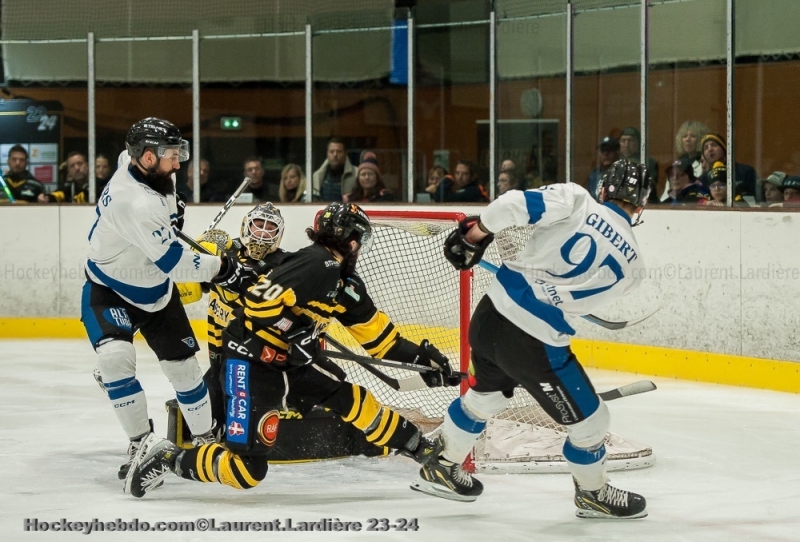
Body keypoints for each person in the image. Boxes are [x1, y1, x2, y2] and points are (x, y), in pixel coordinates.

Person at [125, 202, 459, 498]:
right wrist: (294, 330)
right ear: (352, 241)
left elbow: (383, 341)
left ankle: (420, 449)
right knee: (247, 470)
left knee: (351, 398)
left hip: (291, 363)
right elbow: (258, 304)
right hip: (250, 361)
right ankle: (168, 458)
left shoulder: (345, 284)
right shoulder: (315, 263)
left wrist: (424, 359)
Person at [412, 160, 650, 520]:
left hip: (489, 318)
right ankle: (593, 493)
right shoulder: (634, 268)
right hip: (534, 345)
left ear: (603, 189)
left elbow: (510, 204)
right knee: (592, 423)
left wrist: (476, 234)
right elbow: (577, 298)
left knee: (486, 397)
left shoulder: (575, 198)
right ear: (641, 207)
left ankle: (442, 466)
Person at [81, 117, 254, 483]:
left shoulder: (144, 169)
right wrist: (224, 268)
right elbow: (175, 263)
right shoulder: (134, 202)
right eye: (172, 155)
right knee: (116, 360)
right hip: (110, 288)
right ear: (147, 157)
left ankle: (205, 440)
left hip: (156, 291)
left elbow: (165, 236)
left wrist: (172, 216)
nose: (178, 163)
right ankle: (141, 444)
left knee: (185, 371)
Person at [697, 133, 757, 200]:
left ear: (724, 149)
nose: (710, 149)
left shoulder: (745, 171)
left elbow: (759, 199)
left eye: (714, 145)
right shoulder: (703, 179)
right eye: (706, 148)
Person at [619, 126, 659, 204]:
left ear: (639, 143)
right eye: (623, 141)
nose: (626, 145)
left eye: (630, 141)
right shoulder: (617, 163)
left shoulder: (648, 162)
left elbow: (649, 186)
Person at [312, 137, 356, 202]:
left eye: (339, 152)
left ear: (345, 154)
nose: (335, 155)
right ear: (327, 153)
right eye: (331, 151)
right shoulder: (317, 176)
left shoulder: (356, 174)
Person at [587, 136, 620, 202]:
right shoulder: (594, 175)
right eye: (603, 150)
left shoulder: (624, 173)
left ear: (617, 152)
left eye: (610, 150)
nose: (606, 154)